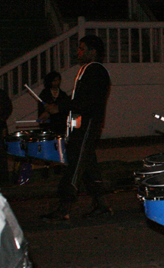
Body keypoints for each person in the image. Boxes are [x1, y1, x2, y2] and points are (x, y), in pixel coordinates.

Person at [41, 35, 111, 222]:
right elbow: (76, 100)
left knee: (74, 165)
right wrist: (58, 109)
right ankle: (101, 205)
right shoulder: (87, 70)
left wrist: (59, 108)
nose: (78, 52)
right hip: (82, 124)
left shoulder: (95, 71)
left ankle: (64, 207)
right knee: (88, 165)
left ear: (92, 52)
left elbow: (85, 102)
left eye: (81, 49)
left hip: (87, 125)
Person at [37, 71, 70, 135]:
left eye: (58, 80)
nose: (56, 82)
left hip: (60, 126)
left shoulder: (63, 95)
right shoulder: (44, 94)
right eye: (54, 80)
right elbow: (41, 110)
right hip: (48, 126)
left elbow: (65, 110)